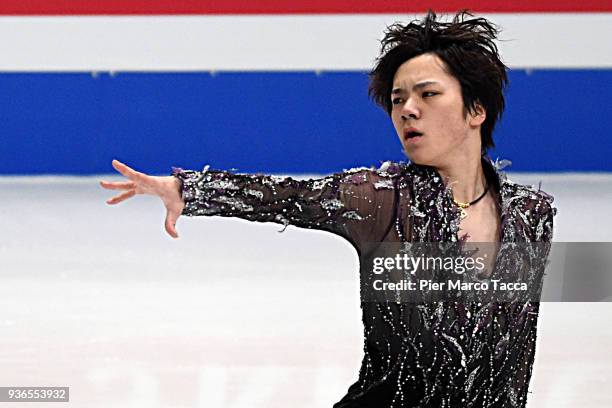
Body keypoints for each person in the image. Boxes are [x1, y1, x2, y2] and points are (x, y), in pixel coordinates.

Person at [101, 9, 556, 407]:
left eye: (427, 94)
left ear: (476, 109)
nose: (407, 111)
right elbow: (288, 197)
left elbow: (516, 356)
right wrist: (188, 189)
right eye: (398, 100)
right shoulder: (378, 198)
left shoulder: (532, 215)